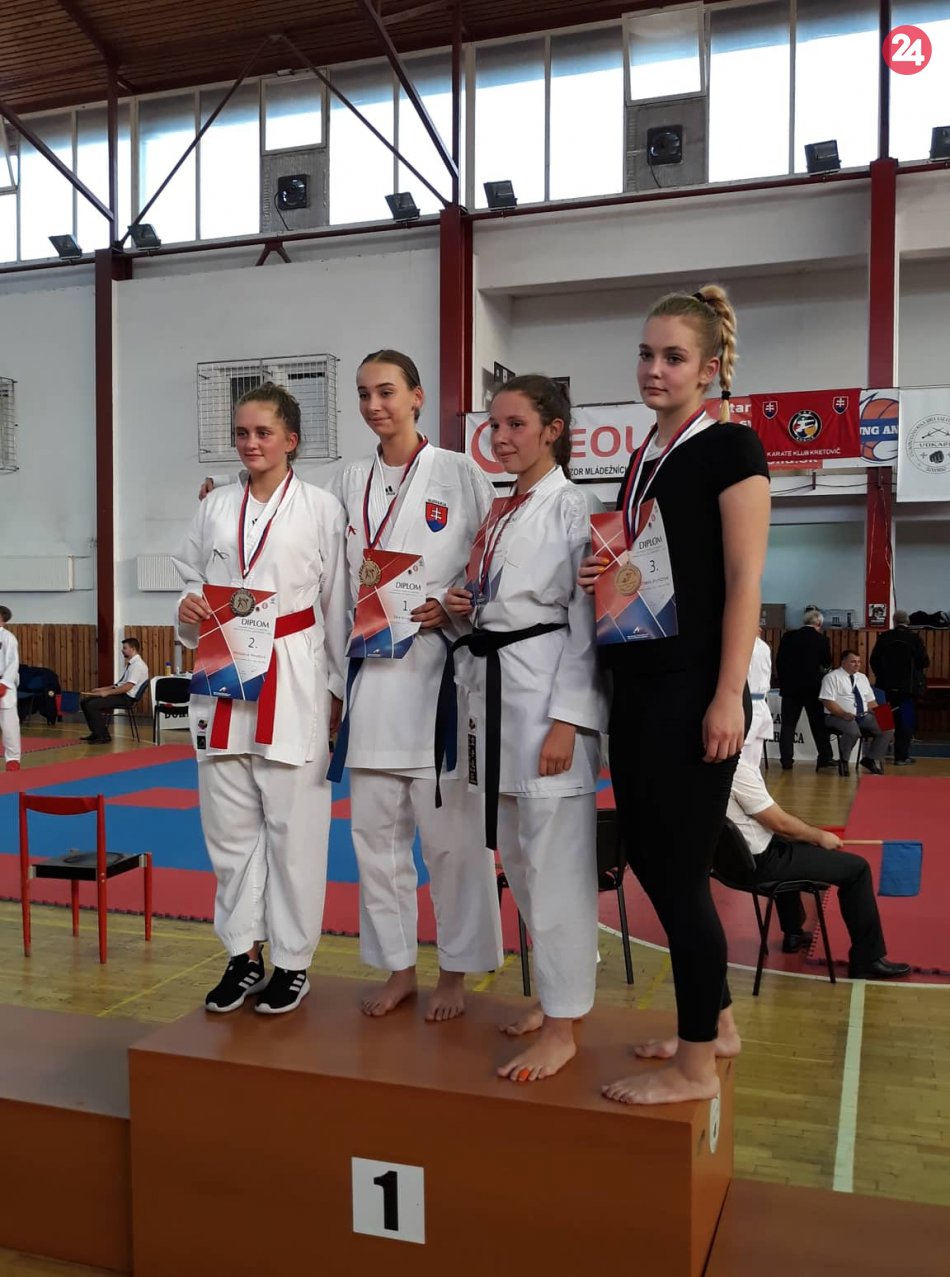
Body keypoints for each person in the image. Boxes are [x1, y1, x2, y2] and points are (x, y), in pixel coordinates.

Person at [580, 284, 770, 1106]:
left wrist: (728, 694)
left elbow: (743, 580)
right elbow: (658, 567)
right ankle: (714, 1024)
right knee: (656, 865)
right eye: (646, 354)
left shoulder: (731, 447)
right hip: (639, 680)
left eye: (673, 357)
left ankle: (695, 1068)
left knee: (679, 874)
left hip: (695, 689)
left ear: (709, 368)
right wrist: (603, 571)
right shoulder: (643, 458)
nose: (654, 369)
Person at [328, 350, 503, 1022]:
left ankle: (455, 971)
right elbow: (328, 574)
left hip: (440, 683)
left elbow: (492, 565)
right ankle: (399, 966)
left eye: (387, 392)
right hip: (372, 681)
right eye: (364, 394)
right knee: (375, 843)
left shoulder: (460, 473)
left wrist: (456, 605)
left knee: (452, 844)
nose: (375, 405)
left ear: (417, 396)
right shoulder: (349, 480)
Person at [444, 374, 606, 1082]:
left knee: (556, 867)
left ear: (553, 429)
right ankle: (552, 998)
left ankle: (566, 1026)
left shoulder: (575, 508)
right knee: (519, 860)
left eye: (515, 424)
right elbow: (496, 607)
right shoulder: (502, 510)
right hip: (496, 696)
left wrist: (569, 720)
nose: (501, 437)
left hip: (547, 703)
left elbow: (586, 622)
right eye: (495, 425)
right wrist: (462, 607)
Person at [175, 382, 347, 1015]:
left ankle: (293, 962)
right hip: (222, 670)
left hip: (293, 674)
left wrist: (337, 688)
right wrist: (187, 605)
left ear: (291, 440)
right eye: (242, 433)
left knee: (295, 828)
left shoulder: (322, 508)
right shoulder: (215, 506)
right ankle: (243, 953)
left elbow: (338, 602)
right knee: (228, 828)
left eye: (263, 433)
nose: (251, 443)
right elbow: (190, 576)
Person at [726, 755, 910, 980]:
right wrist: (820, 836)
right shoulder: (736, 769)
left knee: (792, 841)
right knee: (858, 869)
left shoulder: (699, 768)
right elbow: (780, 823)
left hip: (731, 865)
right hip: (759, 863)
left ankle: (793, 933)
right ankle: (867, 959)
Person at [775, 607, 834, 771]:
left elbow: (779, 661)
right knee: (817, 724)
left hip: (790, 688)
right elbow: (827, 663)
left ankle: (786, 760)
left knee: (788, 726)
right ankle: (825, 757)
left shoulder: (788, 637)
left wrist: (784, 682)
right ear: (819, 623)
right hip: (812, 688)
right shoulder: (822, 640)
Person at [820, 650, 893, 776]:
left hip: (862, 716)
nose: (857, 664)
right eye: (853, 662)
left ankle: (870, 759)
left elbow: (871, 702)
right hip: (837, 716)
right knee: (853, 731)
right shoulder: (831, 677)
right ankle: (844, 761)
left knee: (887, 728)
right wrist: (843, 714)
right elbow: (827, 701)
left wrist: (884, 718)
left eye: (859, 662)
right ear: (843, 662)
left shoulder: (862, 678)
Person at [870, 610, 929, 765]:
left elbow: (874, 660)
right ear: (907, 622)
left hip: (886, 687)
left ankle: (879, 754)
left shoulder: (884, 637)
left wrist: (882, 676)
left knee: (885, 719)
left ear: (894, 621)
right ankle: (901, 756)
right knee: (906, 720)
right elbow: (924, 662)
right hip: (908, 688)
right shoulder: (914, 639)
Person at [80, 637, 149, 744]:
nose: (122, 650)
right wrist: (102, 689)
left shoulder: (138, 666)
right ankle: (96, 733)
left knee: (91, 705)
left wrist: (106, 693)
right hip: (122, 694)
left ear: (133, 649)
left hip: (127, 698)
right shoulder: (131, 664)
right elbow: (119, 684)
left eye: (125, 648)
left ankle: (103, 736)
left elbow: (127, 687)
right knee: (85, 702)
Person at [747, 629, 774, 764]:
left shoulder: (743, 645)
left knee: (742, 760)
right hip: (760, 704)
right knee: (753, 761)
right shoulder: (764, 647)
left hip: (747, 704)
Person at [0, 605, 21, 772]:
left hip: (3, 682)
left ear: (3, 620)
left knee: (9, 725)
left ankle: (13, 759)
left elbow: (13, 662)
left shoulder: (8, 638)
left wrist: (4, 683)